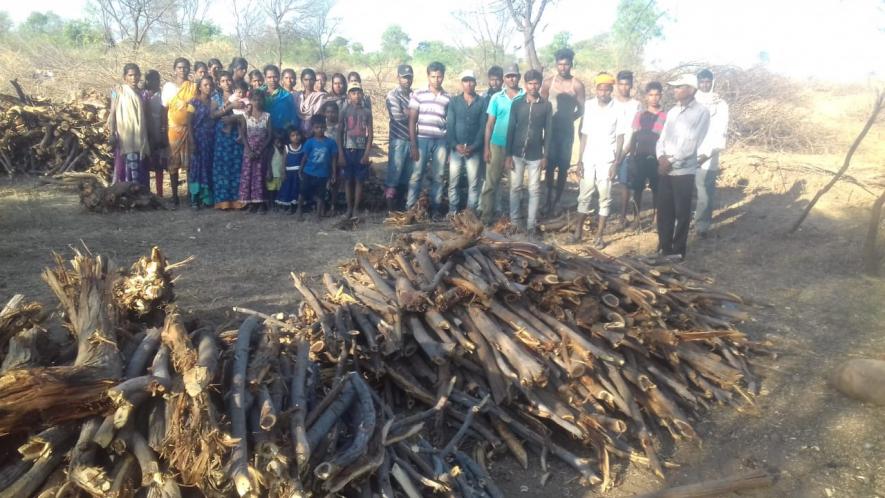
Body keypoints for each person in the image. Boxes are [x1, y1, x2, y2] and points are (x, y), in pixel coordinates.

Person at [656, 74, 710, 261]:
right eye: (675, 87)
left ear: (691, 89)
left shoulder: (701, 112)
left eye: (679, 87)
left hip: (683, 170)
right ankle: (665, 248)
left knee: (682, 213)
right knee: (664, 212)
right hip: (666, 168)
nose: (675, 90)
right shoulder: (672, 112)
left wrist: (670, 161)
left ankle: (678, 251)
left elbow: (692, 143)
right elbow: (662, 138)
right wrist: (661, 157)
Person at [571, 73, 623, 247]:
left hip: (607, 159)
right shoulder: (589, 105)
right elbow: (584, 134)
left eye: (607, 90)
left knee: (604, 196)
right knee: (584, 194)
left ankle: (599, 236)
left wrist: (616, 163)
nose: (603, 93)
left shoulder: (618, 108)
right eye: (600, 89)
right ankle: (577, 233)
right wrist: (579, 160)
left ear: (611, 90)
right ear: (596, 90)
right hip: (589, 157)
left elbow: (620, 138)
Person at [505, 69, 552, 235]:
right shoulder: (517, 104)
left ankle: (531, 225)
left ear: (540, 84)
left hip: (536, 154)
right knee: (515, 188)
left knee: (534, 190)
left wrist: (545, 156)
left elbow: (549, 132)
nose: (533, 86)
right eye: (530, 83)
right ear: (525, 84)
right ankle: (515, 221)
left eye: (536, 83)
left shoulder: (546, 105)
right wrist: (508, 155)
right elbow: (511, 129)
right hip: (517, 153)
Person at [540, 48, 586, 214]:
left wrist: (569, 118)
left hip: (566, 131)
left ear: (571, 64)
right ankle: (547, 200)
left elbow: (581, 109)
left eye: (566, 64)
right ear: (556, 64)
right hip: (550, 130)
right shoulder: (548, 83)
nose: (563, 68)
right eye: (560, 64)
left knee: (563, 167)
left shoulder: (577, 85)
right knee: (549, 166)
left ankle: (557, 201)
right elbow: (542, 105)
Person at [480, 63, 524, 225]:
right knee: (491, 183)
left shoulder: (525, 96)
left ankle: (515, 220)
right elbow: (489, 124)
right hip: (497, 145)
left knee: (515, 185)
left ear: (519, 77)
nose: (511, 79)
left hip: (517, 147)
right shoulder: (496, 98)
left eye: (514, 76)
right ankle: (486, 217)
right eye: (508, 76)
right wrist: (486, 148)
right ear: (504, 78)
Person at [407, 61, 451, 217]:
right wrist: (413, 145)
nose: (436, 80)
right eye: (433, 76)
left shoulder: (448, 97)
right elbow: (412, 120)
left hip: (440, 141)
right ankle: (410, 208)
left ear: (443, 77)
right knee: (416, 174)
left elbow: (449, 123)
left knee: (438, 176)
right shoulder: (418, 94)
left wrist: (448, 147)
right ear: (428, 76)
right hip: (422, 140)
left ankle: (436, 209)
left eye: (439, 76)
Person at [694, 68, 729, 237]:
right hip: (689, 151)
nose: (705, 85)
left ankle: (702, 225)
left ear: (712, 82)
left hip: (709, 153)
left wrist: (707, 154)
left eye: (708, 81)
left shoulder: (720, 104)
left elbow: (721, 132)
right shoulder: (691, 100)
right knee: (686, 189)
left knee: (705, 190)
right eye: (702, 82)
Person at [446, 70, 485, 214]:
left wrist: (474, 146)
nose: (468, 84)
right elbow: (450, 126)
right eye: (465, 81)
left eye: (471, 81)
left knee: (473, 184)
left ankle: (470, 213)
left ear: (475, 83)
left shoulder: (482, 102)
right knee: (453, 182)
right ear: (461, 83)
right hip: (456, 150)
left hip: (474, 151)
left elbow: (483, 127)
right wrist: (455, 145)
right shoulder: (454, 101)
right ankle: (452, 211)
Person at [626, 81, 666, 217]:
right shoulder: (640, 115)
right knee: (637, 189)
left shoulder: (665, 116)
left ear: (661, 96)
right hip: (640, 156)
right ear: (646, 96)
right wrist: (632, 157)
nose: (654, 98)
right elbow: (634, 137)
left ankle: (656, 219)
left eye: (657, 95)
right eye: (651, 95)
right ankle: (636, 219)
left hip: (657, 157)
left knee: (657, 189)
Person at [161, 58, 197, 206]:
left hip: (189, 129)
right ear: (174, 69)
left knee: (190, 164)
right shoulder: (168, 87)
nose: (182, 70)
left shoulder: (193, 87)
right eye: (180, 67)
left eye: (185, 67)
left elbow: (195, 107)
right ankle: (175, 195)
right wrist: (163, 128)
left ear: (189, 69)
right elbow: (164, 108)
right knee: (173, 163)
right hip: (173, 130)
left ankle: (190, 194)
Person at [108, 63, 150, 187]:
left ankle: (141, 193)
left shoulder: (143, 93)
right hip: (125, 138)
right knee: (124, 167)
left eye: (136, 75)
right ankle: (124, 193)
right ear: (124, 77)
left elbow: (145, 116)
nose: (133, 78)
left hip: (140, 137)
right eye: (130, 75)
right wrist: (111, 133)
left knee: (141, 166)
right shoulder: (117, 91)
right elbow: (112, 112)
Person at [338, 82, 374, 219]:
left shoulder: (367, 112)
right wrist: (341, 154)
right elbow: (339, 133)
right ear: (349, 95)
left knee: (359, 181)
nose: (357, 96)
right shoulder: (344, 111)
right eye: (353, 93)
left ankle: (356, 209)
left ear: (362, 94)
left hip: (361, 151)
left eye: (359, 92)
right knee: (348, 181)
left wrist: (367, 153)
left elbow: (370, 134)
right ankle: (349, 208)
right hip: (348, 150)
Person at [211, 71, 245, 210]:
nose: (227, 83)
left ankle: (238, 200)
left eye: (229, 80)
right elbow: (213, 115)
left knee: (237, 165)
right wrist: (229, 107)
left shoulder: (240, 95)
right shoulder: (216, 97)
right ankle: (223, 201)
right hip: (222, 136)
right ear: (219, 83)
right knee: (222, 166)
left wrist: (234, 118)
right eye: (223, 81)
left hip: (238, 134)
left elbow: (246, 113)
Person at [612, 70, 641, 224]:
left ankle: (622, 217)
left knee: (624, 184)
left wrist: (623, 154)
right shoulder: (611, 103)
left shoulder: (636, 105)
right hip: (610, 148)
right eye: (621, 84)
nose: (624, 88)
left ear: (631, 86)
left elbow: (635, 132)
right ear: (617, 85)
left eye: (627, 84)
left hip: (628, 150)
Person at [297, 115, 338, 221]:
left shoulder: (331, 143)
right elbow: (305, 157)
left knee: (321, 195)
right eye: (317, 127)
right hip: (308, 172)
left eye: (322, 127)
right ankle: (299, 211)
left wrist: (333, 173)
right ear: (312, 128)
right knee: (302, 192)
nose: (320, 129)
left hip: (323, 174)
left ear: (325, 127)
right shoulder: (309, 142)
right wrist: (300, 169)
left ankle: (318, 215)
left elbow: (333, 159)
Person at [384, 64, 413, 211]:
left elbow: (417, 116)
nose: (407, 80)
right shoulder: (392, 95)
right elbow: (397, 116)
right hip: (398, 139)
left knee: (406, 176)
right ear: (398, 78)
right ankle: (390, 211)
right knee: (394, 175)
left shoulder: (414, 95)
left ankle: (400, 209)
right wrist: (413, 114)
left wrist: (409, 112)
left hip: (412, 141)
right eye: (404, 77)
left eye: (409, 77)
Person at [239, 90, 274, 213]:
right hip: (249, 151)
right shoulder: (245, 116)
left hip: (262, 151)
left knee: (260, 176)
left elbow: (269, 135)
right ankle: (250, 203)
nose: (257, 102)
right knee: (248, 176)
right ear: (250, 101)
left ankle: (261, 203)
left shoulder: (267, 116)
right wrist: (249, 150)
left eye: (260, 100)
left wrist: (261, 150)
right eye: (255, 100)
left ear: (263, 101)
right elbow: (243, 134)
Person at [188, 76, 216, 209]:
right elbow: (189, 123)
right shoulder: (193, 102)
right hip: (198, 139)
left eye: (210, 85)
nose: (208, 87)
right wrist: (192, 141)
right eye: (205, 85)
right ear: (199, 87)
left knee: (208, 167)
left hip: (211, 140)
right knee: (197, 168)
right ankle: (195, 198)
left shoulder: (214, 102)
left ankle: (207, 198)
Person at [143, 69, 168, 196]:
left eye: (156, 79)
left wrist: (163, 132)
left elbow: (164, 113)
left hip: (159, 129)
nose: (154, 82)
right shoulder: (143, 95)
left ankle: (160, 193)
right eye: (151, 79)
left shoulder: (162, 95)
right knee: (145, 164)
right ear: (146, 81)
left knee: (159, 164)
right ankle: (146, 191)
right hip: (145, 131)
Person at [262, 64, 299, 138]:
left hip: (281, 133)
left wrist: (287, 131)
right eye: (269, 77)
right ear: (265, 78)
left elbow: (292, 118)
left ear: (279, 77)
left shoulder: (287, 95)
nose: (272, 80)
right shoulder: (259, 93)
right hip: (262, 132)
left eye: (275, 77)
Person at [277, 128, 305, 212]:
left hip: (299, 173)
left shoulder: (303, 147)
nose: (296, 137)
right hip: (289, 173)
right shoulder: (287, 147)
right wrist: (283, 172)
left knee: (298, 189)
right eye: (293, 135)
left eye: (297, 135)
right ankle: (288, 205)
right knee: (288, 189)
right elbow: (284, 161)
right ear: (289, 137)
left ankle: (296, 206)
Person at [295, 68, 327, 136]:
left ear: (315, 80)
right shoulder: (296, 96)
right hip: (297, 134)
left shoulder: (320, 97)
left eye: (311, 79)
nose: (308, 83)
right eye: (306, 80)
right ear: (302, 80)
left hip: (315, 134)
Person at [267, 135, 285, 211]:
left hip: (279, 174)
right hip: (273, 174)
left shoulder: (282, 150)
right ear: (273, 142)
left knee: (278, 190)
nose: (279, 143)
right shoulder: (272, 150)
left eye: (280, 141)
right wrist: (269, 172)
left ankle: (277, 204)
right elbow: (268, 162)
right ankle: (271, 205)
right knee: (272, 190)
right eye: (277, 141)